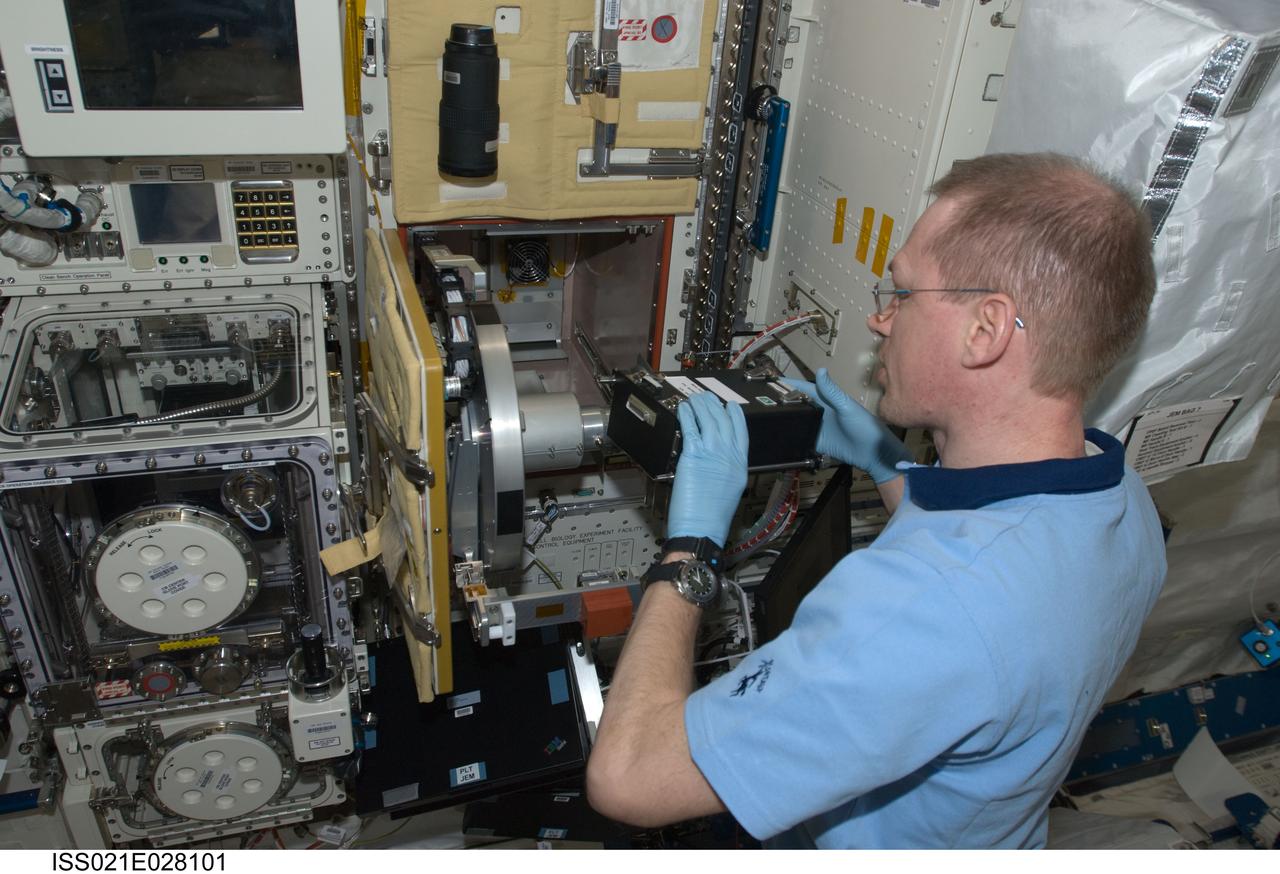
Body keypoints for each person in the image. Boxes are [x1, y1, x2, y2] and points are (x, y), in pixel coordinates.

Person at [585, 152, 1167, 848]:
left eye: (903, 294)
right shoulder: (1121, 498)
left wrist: (689, 553)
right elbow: (995, 582)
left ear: (984, 330)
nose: (880, 321)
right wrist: (886, 461)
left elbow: (627, 777)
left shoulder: (917, 615)